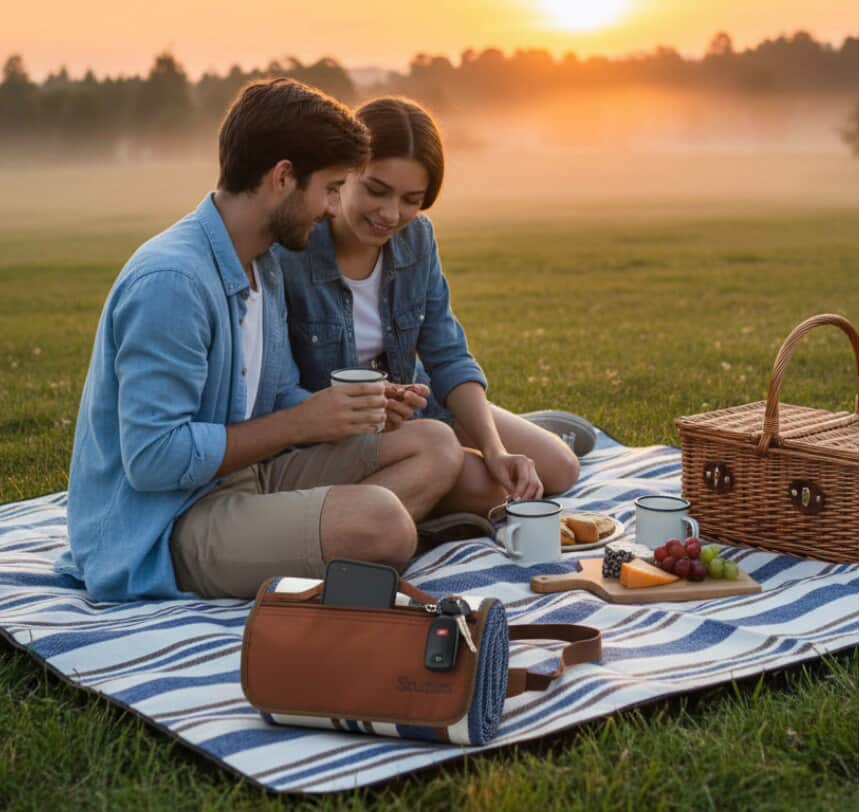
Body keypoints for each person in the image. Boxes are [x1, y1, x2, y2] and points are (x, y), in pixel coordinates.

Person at [56, 80, 465, 601]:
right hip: (168, 523)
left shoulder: (265, 264)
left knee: (434, 443)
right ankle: (354, 540)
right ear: (283, 178)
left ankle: (329, 541)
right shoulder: (173, 282)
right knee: (383, 523)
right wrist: (300, 422)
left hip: (249, 478)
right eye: (331, 187)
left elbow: (275, 397)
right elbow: (153, 457)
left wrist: (349, 408)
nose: (334, 207)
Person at [278, 96, 589, 519]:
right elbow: (277, 390)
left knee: (560, 469)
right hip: (341, 435)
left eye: (411, 199)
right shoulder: (293, 251)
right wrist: (363, 409)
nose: (391, 214)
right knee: (495, 493)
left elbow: (447, 354)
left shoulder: (417, 238)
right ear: (344, 173)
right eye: (376, 190)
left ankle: (508, 433)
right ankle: (425, 487)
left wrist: (496, 449)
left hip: (419, 405)